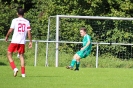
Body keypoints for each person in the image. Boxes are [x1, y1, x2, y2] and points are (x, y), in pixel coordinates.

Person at [5, 7, 32, 77]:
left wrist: (7, 36)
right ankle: (23, 74)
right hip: (22, 42)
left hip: (14, 41)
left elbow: (10, 30)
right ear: (24, 14)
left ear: (17, 13)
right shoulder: (27, 21)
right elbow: (29, 32)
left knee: (9, 54)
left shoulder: (15, 20)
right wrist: (30, 41)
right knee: (21, 56)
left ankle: (14, 68)